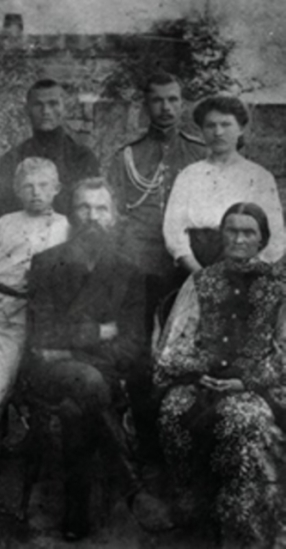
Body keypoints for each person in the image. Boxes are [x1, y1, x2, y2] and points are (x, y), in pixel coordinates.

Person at [24, 178, 171, 540]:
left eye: (101, 208)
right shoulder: (46, 263)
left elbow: (132, 344)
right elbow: (42, 336)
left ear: (115, 216)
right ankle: (133, 490)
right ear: (71, 213)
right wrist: (98, 332)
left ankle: (77, 514)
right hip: (49, 372)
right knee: (86, 383)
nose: (92, 216)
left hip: (99, 373)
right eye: (84, 207)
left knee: (78, 405)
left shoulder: (129, 272)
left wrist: (72, 347)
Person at [155, 203, 286, 548]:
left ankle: (243, 526)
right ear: (221, 235)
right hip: (202, 380)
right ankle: (194, 511)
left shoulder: (279, 285)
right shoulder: (201, 281)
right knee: (173, 411)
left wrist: (246, 381)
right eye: (232, 230)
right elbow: (174, 343)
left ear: (262, 239)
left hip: (257, 385)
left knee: (241, 419)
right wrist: (198, 370)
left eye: (248, 232)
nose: (239, 239)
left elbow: (284, 351)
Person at [0, 157, 69, 468]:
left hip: (21, 316)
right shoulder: (4, 223)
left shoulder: (63, 227)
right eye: (28, 186)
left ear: (56, 188)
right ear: (17, 190)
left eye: (43, 185)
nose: (36, 192)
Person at [107, 71, 206, 329]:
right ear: (145, 106)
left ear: (182, 104)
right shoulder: (127, 156)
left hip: (188, 261)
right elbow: (116, 213)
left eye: (173, 100)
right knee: (136, 332)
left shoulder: (199, 153)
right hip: (140, 263)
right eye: (157, 100)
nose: (166, 108)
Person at [163, 95, 285, 273]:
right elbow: (173, 232)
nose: (218, 132)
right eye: (210, 125)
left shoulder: (260, 177)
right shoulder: (189, 175)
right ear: (202, 131)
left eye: (226, 124)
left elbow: (276, 237)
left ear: (240, 129)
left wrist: (247, 272)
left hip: (246, 268)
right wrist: (200, 275)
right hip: (195, 266)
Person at [0, 78, 99, 220]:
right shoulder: (12, 159)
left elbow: (90, 207)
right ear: (27, 110)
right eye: (38, 105)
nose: (46, 111)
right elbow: (3, 213)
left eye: (53, 104)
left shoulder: (82, 158)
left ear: (64, 108)